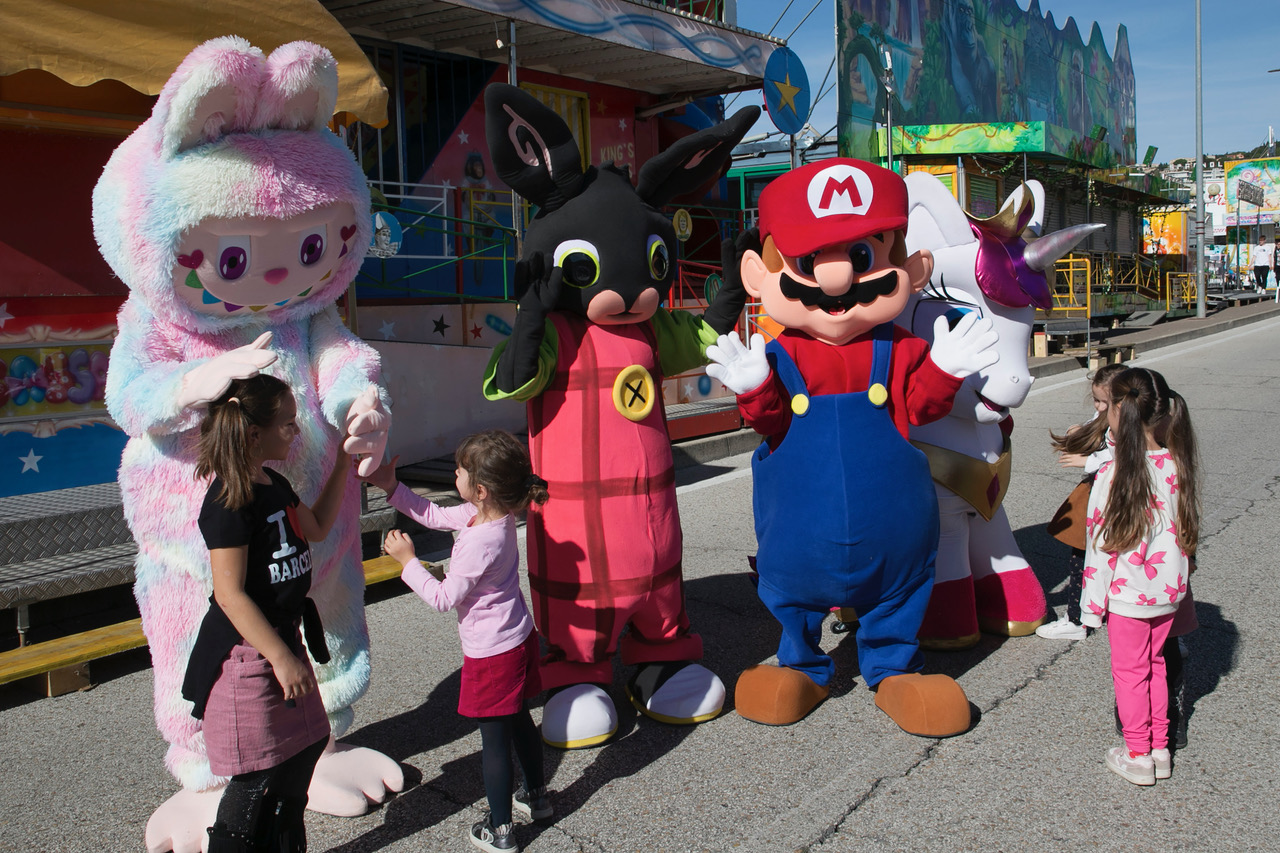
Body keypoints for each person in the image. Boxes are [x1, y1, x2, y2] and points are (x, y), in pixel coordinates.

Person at [184, 373, 352, 851]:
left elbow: (316, 526)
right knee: (257, 777)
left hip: (284, 642)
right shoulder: (227, 502)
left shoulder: (274, 483)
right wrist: (279, 657)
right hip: (248, 660)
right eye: (288, 424)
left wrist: (342, 464)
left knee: (304, 750)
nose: (294, 432)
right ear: (254, 433)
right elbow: (230, 594)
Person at [364, 430, 552, 852]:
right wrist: (392, 488)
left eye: (461, 470)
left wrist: (407, 563)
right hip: (519, 638)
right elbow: (432, 514)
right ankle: (537, 797)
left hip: (492, 654)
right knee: (520, 718)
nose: (455, 473)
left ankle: (500, 830)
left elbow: (443, 598)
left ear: (480, 489)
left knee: (494, 743)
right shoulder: (489, 516)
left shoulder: (477, 542)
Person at [1080, 367, 1200, 786]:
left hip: (1127, 595)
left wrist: (1090, 609)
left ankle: (1137, 754)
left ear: (1117, 413)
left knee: (1130, 673)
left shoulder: (1113, 473)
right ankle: (1161, 748)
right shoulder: (1176, 462)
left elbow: (1100, 547)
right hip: (1168, 591)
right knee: (1157, 666)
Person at [1039, 363, 1127, 640]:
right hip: (1098, 494)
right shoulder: (1109, 416)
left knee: (1090, 557)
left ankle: (1079, 620)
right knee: (1081, 556)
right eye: (1096, 400)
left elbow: (1124, 458)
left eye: (1104, 402)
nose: (1099, 407)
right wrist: (1082, 431)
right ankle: (1077, 617)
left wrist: (1088, 461)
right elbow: (1098, 429)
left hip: (1112, 498)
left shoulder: (1129, 426)